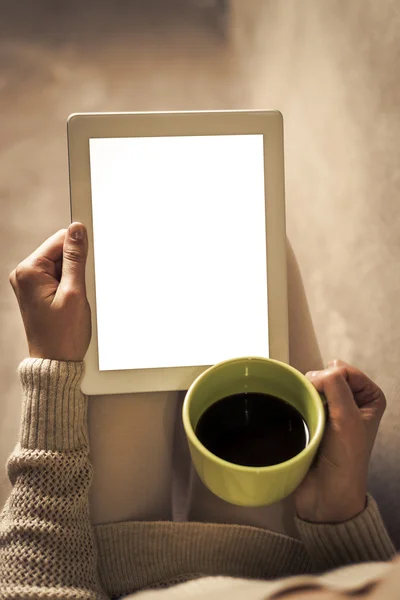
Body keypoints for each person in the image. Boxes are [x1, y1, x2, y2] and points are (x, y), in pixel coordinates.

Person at [0, 222, 399, 600]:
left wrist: (52, 374)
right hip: (274, 558)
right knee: (258, 239)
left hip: (103, 566)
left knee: (118, 256)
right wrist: (341, 518)